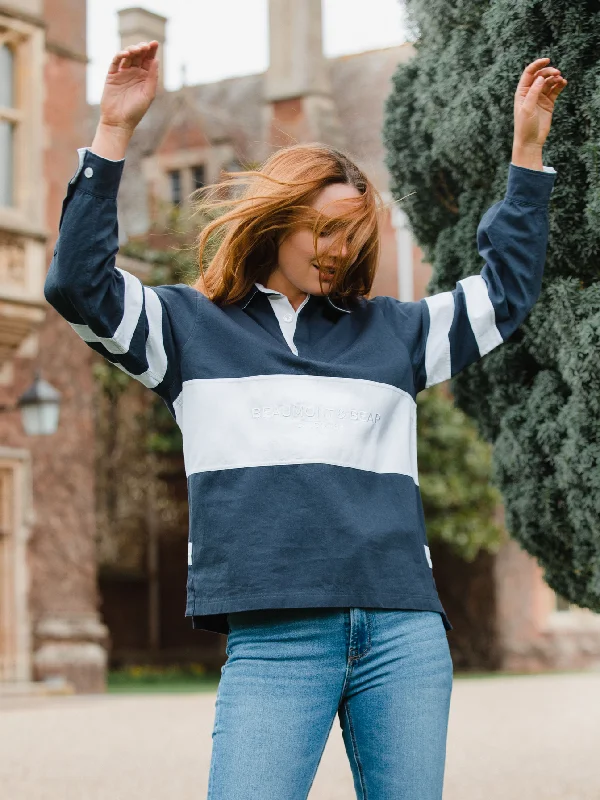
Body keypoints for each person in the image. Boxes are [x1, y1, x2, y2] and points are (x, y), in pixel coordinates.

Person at [44, 41, 566, 799]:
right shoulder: (186, 331)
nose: (338, 251)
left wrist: (527, 152)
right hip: (275, 639)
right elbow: (77, 284)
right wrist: (114, 131)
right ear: (278, 220)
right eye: (322, 229)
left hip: (402, 635)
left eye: (353, 236)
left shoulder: (397, 334)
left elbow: (507, 295)